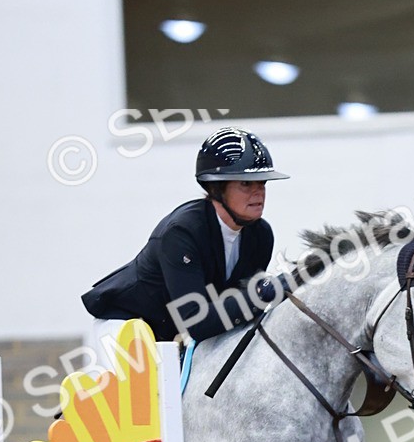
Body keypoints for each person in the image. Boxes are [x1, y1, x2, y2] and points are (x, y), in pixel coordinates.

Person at [81, 127, 289, 358]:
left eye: (262, 182)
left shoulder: (260, 235)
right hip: (124, 329)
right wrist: (262, 293)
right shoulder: (182, 232)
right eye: (245, 184)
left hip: (172, 337)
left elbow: (238, 308)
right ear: (216, 188)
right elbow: (196, 321)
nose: (258, 192)